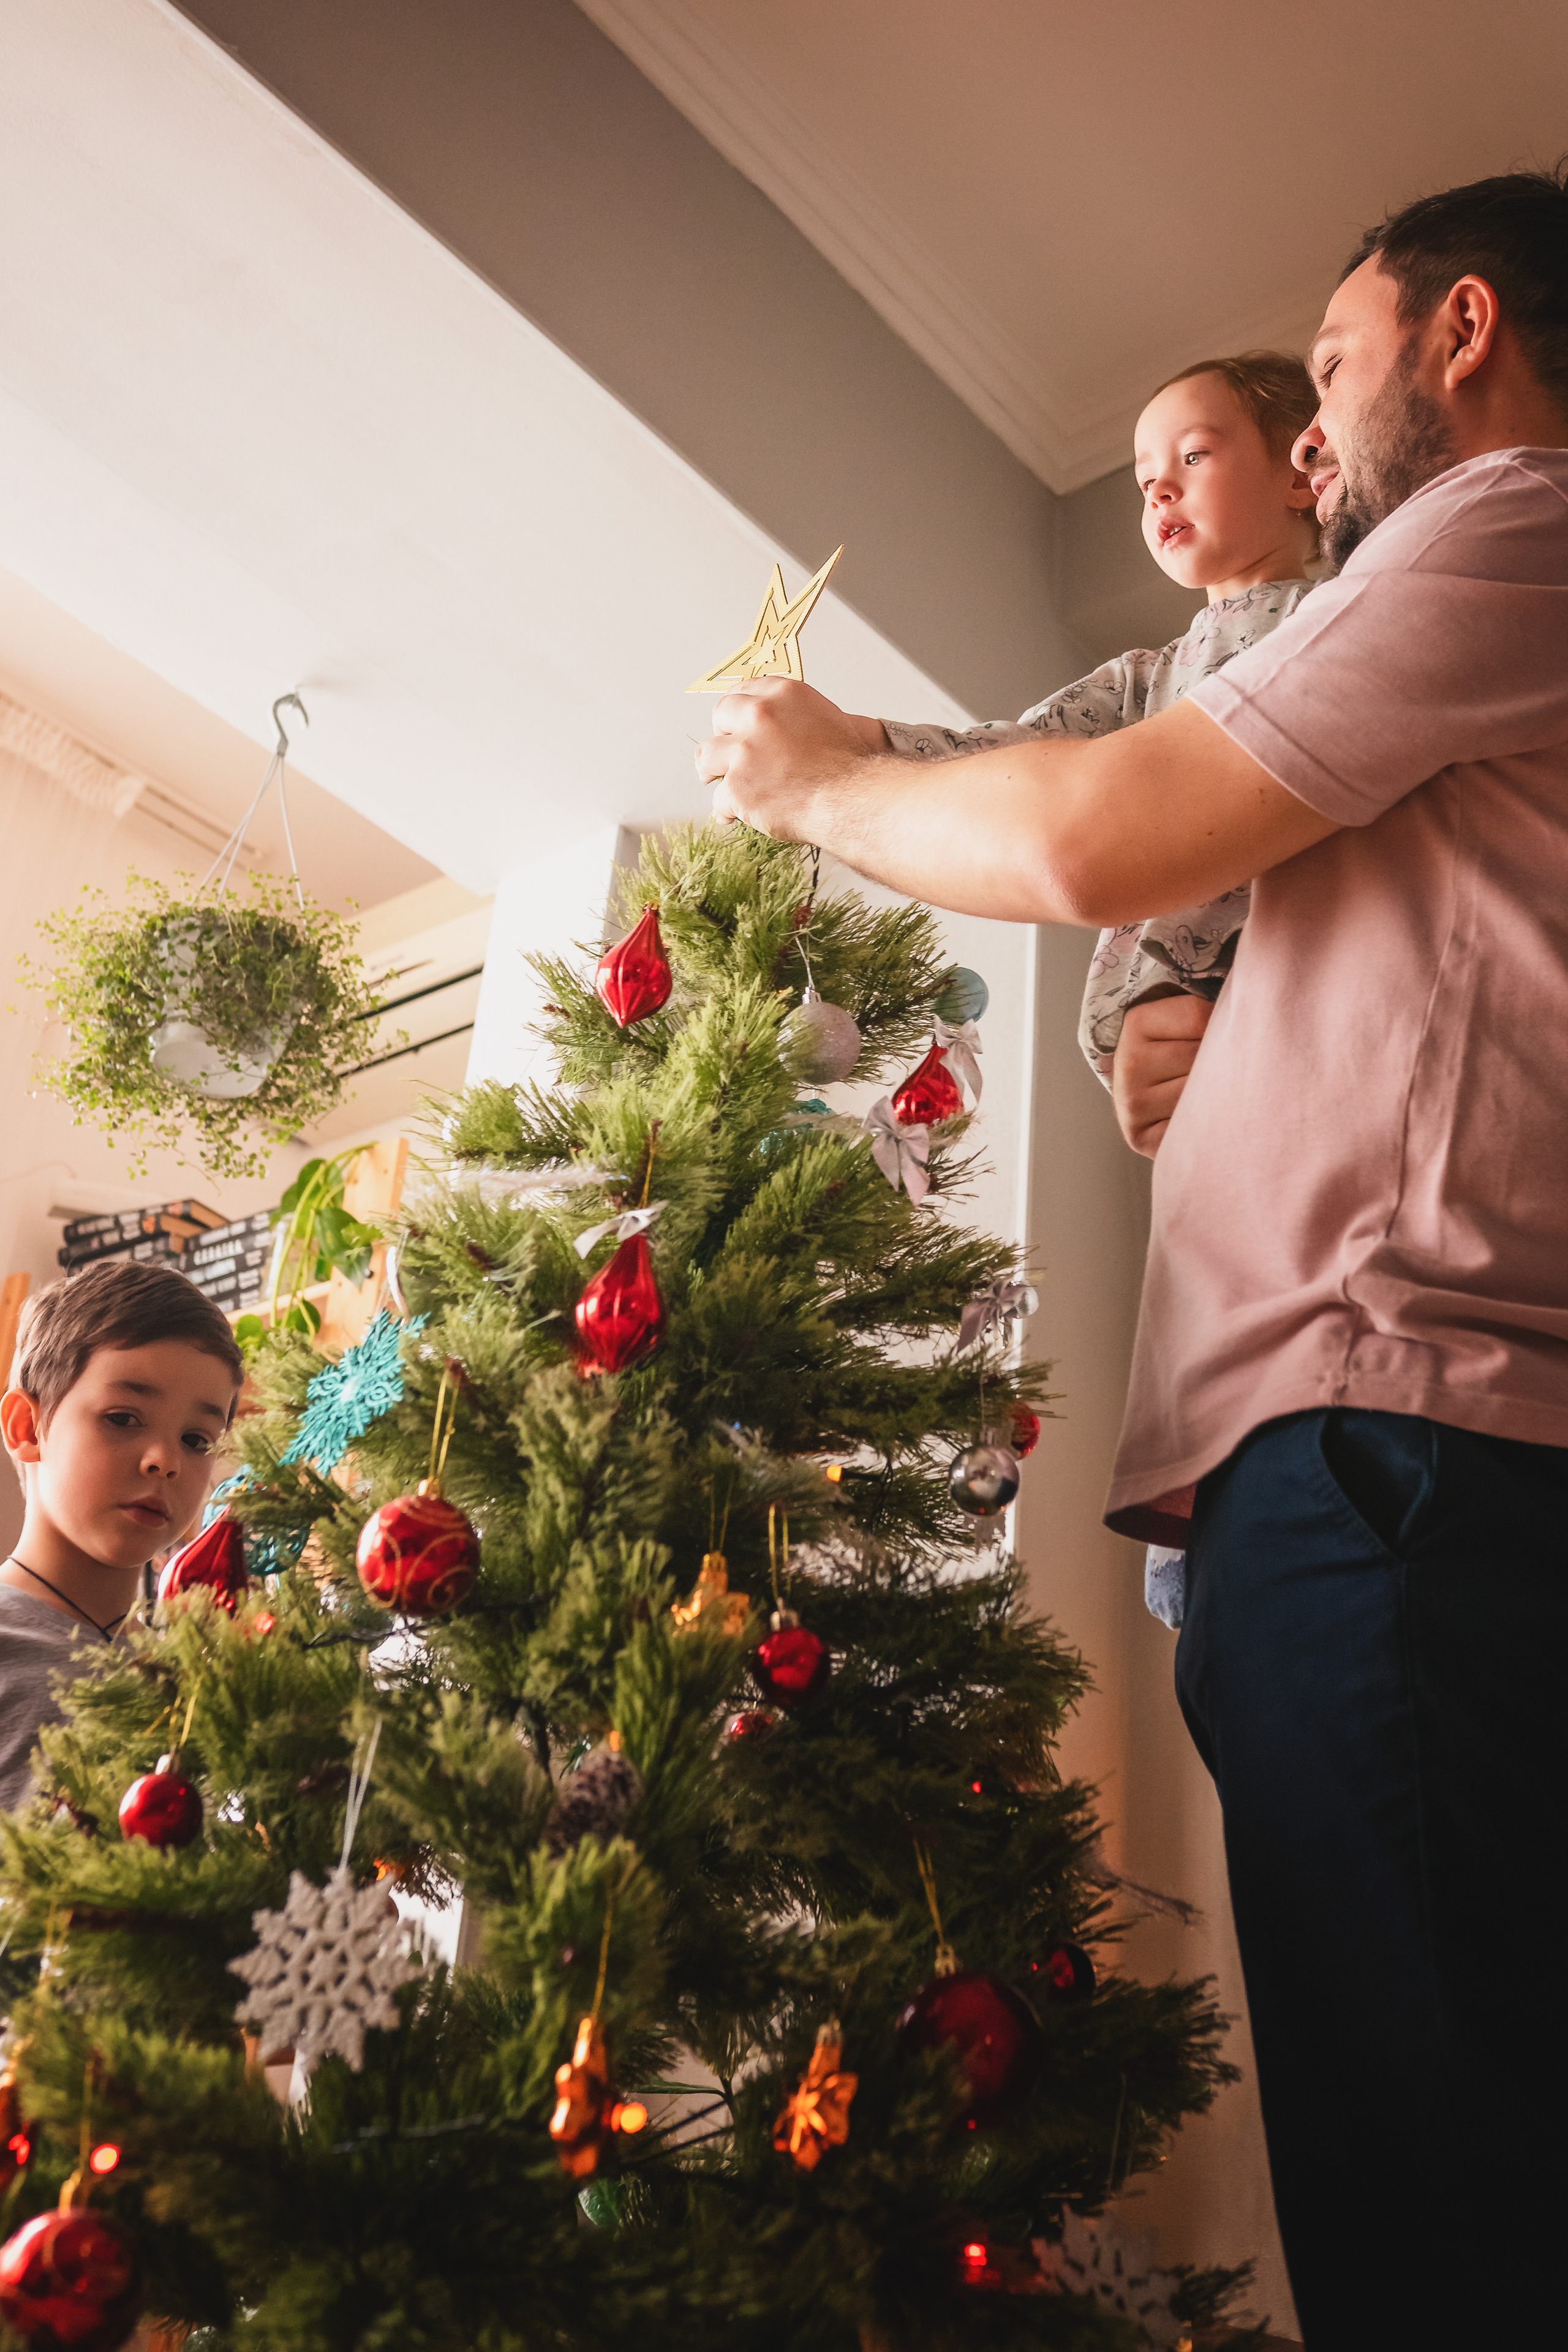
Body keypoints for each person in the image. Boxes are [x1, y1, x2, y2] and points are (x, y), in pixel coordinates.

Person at [697, 167, 1568, 2348]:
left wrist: (810, 781)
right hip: (1368, 1467)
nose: (1307, 436)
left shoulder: (1505, 518)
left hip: (1390, 1456)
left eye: (1334, 362)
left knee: (1434, 2212)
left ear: (1460, 333)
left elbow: (1088, 827)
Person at [874, 348, 1321, 1630]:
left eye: (1193, 452)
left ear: (1303, 467)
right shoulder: (1141, 684)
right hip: (1191, 1126)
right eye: (1139, 479)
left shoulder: (1350, 616)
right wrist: (848, 746)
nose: (1159, 492)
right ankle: (1205, 1557)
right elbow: (998, 754)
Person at [0, 1258, 243, 1811]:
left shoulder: (196, 1673)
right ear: (25, 1428)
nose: (165, 1461)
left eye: (196, 1440)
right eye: (123, 1418)